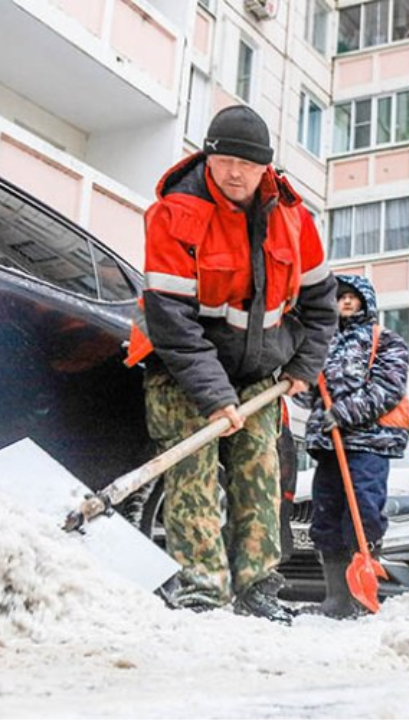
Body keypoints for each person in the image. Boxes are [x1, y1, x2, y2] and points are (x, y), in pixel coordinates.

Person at [132, 105, 338, 623]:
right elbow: (171, 321)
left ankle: (257, 588)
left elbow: (321, 308)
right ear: (208, 157)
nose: (234, 173)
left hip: (259, 373)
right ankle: (202, 592)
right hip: (181, 370)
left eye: (246, 164)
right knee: (193, 478)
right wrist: (215, 397)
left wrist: (304, 367)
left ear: (265, 167)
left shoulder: (294, 221)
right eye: (224, 160)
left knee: (259, 473)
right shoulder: (175, 214)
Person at [301, 275, 409, 618]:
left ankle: (362, 595)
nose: (346, 302)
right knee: (326, 517)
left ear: (366, 301)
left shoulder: (385, 340)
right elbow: (308, 393)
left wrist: (343, 413)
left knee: (362, 514)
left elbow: (388, 387)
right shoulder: (324, 344)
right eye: (340, 297)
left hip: (369, 443)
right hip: (329, 445)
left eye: (353, 297)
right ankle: (336, 598)